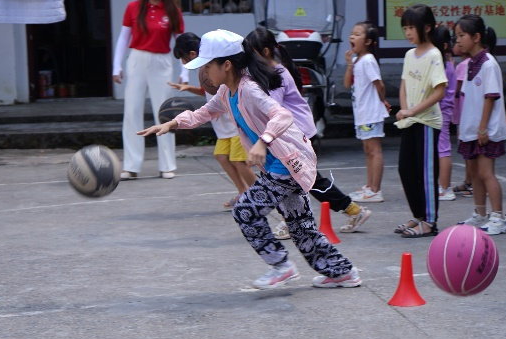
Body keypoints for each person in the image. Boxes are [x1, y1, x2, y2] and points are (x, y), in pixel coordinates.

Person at [139, 29, 361, 290]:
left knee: (245, 210)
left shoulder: (250, 89)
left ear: (227, 65)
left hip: (288, 162)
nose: (205, 73)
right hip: (278, 163)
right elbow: (204, 113)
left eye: (209, 66)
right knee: (301, 227)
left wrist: (263, 141)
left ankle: (282, 266)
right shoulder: (226, 91)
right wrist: (172, 123)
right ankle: (342, 271)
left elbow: (282, 116)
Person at [246, 27, 373, 235]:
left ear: (265, 52)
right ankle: (345, 212)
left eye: (252, 52)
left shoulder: (275, 74)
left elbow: (273, 109)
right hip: (292, 134)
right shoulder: (273, 72)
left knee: (303, 180)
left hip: (297, 135)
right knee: (294, 179)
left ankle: (353, 211)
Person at [169, 33, 256, 208]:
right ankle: (243, 192)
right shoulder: (207, 70)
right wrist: (189, 88)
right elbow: (210, 93)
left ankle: (260, 195)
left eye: (183, 59)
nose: (184, 64)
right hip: (223, 127)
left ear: (193, 54)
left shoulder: (213, 66)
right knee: (221, 156)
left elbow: (223, 93)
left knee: (239, 162)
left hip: (234, 124)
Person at [113, 0, 184, 180]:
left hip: (162, 62)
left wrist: (185, 73)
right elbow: (123, 39)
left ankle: (167, 165)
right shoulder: (133, 8)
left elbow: (181, 44)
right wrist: (116, 66)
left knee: (164, 113)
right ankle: (131, 166)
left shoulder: (172, 10)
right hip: (137, 59)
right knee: (132, 111)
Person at [454, 14, 506, 235]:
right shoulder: (469, 64)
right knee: (476, 174)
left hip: (485, 129)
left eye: (462, 35)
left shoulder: (489, 64)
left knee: (487, 173)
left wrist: (482, 127)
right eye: (456, 36)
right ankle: (480, 214)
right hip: (472, 129)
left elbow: (490, 97)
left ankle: (499, 217)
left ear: (476, 37)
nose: (457, 40)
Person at [394, 4, 448, 238]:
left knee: (425, 172)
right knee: (405, 169)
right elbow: (404, 84)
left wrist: (413, 110)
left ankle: (430, 221)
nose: (407, 32)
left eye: (411, 28)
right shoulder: (409, 55)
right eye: (404, 28)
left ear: (426, 28)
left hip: (427, 122)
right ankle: (418, 216)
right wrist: (404, 109)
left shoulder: (434, 54)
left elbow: (440, 91)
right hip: (411, 120)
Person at [344, 21, 389, 203]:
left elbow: (380, 84)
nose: (352, 37)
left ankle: (376, 190)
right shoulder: (357, 61)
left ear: (368, 41)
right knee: (367, 150)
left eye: (357, 34)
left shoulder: (369, 60)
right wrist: (349, 64)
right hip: (362, 113)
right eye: (352, 34)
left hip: (371, 112)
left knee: (374, 150)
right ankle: (369, 187)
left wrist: (383, 101)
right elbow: (347, 84)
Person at [433, 25, 459, 202]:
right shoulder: (447, 63)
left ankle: (445, 187)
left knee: (443, 149)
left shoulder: (444, 65)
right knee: (440, 148)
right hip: (440, 110)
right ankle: (442, 185)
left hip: (442, 110)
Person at [451, 42, 473, 198]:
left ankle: (470, 182)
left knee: (467, 151)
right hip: (466, 113)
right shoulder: (469, 64)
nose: (456, 44)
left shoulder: (462, 66)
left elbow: (455, 89)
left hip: (464, 114)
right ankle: (468, 181)